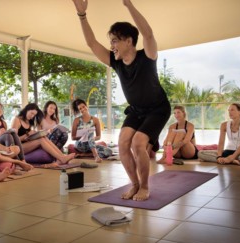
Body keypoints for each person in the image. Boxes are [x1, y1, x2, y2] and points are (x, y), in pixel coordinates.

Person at [72, 0, 171, 201]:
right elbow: (92, 43)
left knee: (138, 143)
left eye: (115, 40)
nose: (112, 46)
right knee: (123, 142)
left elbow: (148, 34)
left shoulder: (147, 56)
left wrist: (128, 5)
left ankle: (144, 186)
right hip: (136, 110)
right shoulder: (116, 62)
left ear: (128, 41)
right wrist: (82, 15)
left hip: (157, 109)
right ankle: (134, 184)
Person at [11, 103, 75, 165]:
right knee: (41, 140)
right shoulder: (17, 120)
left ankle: (62, 156)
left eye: (34, 115)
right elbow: (13, 140)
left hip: (26, 145)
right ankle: (61, 158)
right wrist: (27, 134)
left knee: (43, 137)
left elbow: (26, 138)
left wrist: (33, 135)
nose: (32, 116)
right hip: (18, 147)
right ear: (27, 109)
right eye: (32, 113)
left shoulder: (28, 121)